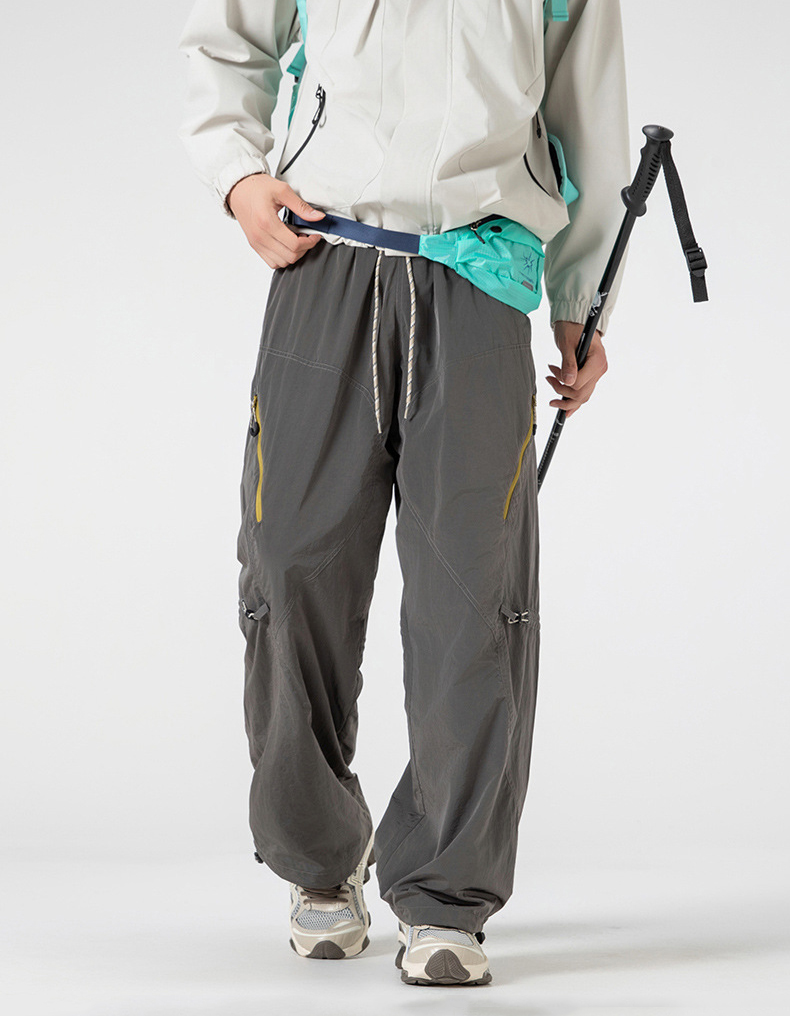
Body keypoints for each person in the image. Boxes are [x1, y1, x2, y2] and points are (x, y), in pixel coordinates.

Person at [177, 0, 630, 987]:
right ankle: (317, 859)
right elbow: (228, 42)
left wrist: (580, 299)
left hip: (478, 281)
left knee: (475, 595)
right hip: (323, 264)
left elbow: (588, 113)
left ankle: (445, 890)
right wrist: (238, 175)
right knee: (289, 568)